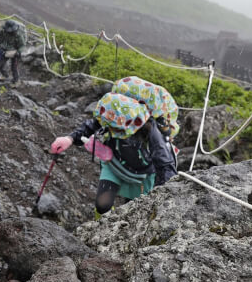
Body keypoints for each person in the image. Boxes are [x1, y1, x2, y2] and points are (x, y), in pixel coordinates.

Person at [49, 92, 177, 218]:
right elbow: (91, 126)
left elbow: (165, 163)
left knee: (134, 211)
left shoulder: (150, 129)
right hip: (113, 162)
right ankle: (100, 228)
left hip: (142, 176)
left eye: (117, 129)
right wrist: (69, 138)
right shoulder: (112, 115)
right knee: (102, 205)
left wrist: (166, 194)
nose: (113, 131)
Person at [0, 19, 25, 83]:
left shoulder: (18, 35)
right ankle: (5, 75)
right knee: (0, 64)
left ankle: (16, 80)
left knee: (14, 67)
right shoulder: (3, 32)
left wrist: (18, 52)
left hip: (15, 52)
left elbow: (22, 45)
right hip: (4, 50)